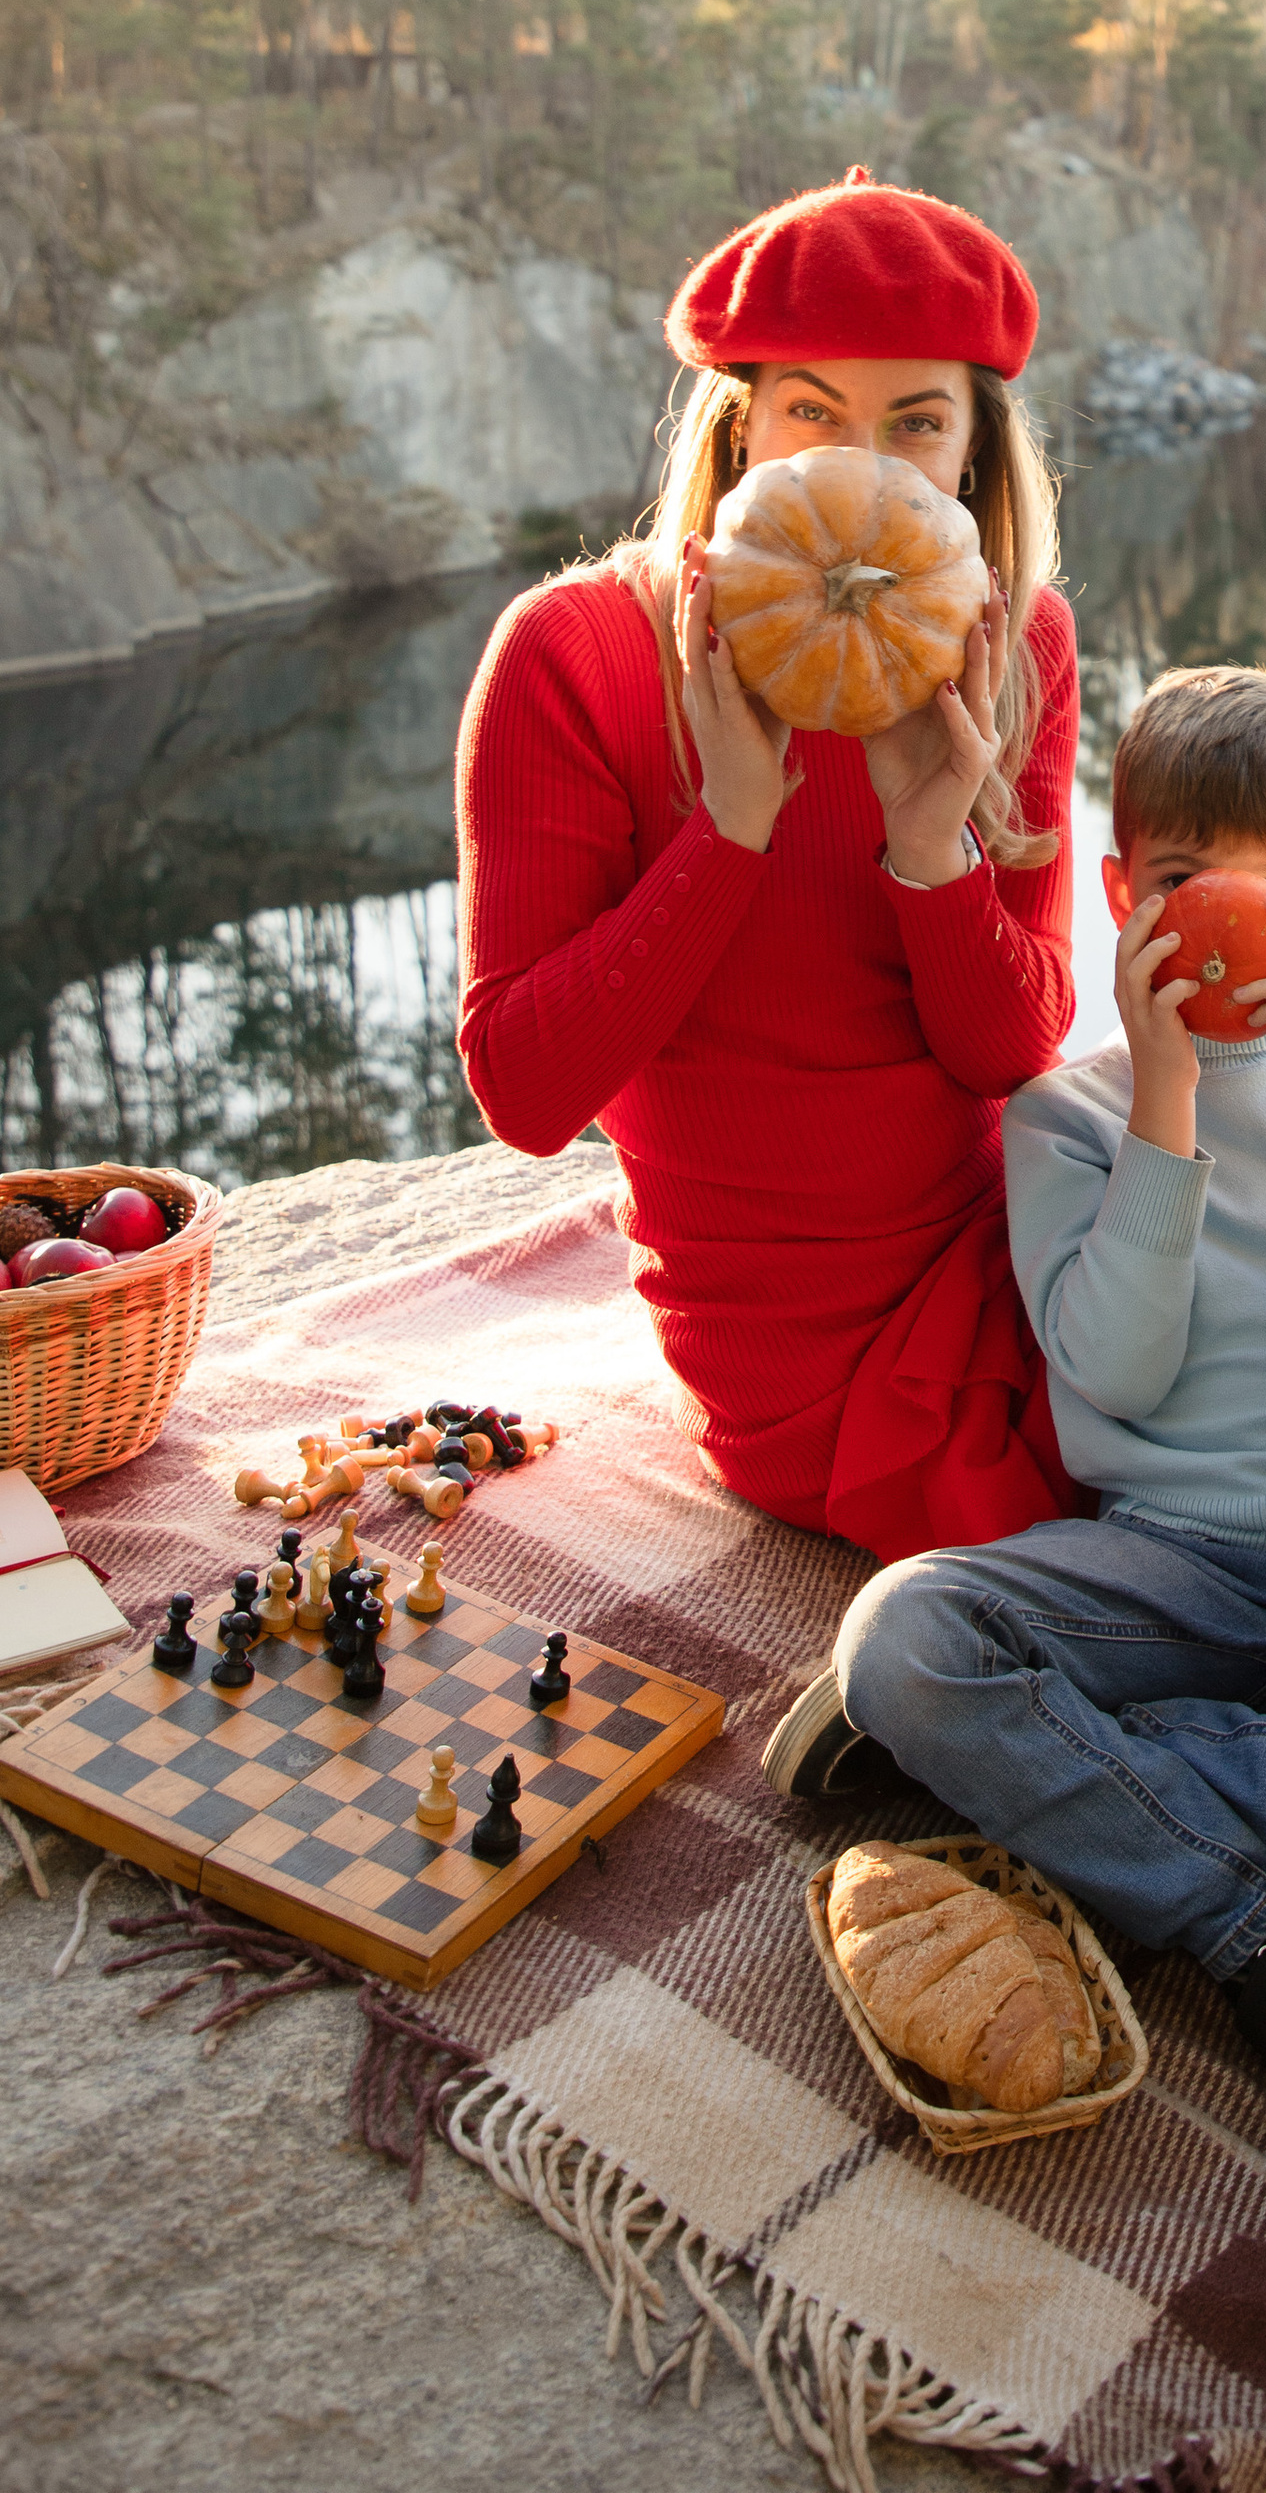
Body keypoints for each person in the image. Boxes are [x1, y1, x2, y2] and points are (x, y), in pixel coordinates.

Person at [777, 664, 1266, 2239]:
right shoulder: (1070, 1114)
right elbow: (1114, 1367)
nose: (1238, 918)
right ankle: (1260, 1928)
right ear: (1126, 894)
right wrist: (1173, 1107)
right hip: (1176, 1566)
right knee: (905, 1641)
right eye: (1194, 881)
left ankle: (1076, 1780)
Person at [456, 167, 1082, 1559]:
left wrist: (933, 850)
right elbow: (524, 1088)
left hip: (1006, 1248)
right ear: (742, 439)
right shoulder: (575, 654)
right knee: (1177, 1495)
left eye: (916, 422)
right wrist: (727, 830)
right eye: (813, 412)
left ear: (973, 457)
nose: (859, 463)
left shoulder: (1014, 647)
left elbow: (1011, 1052)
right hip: (793, 1342)